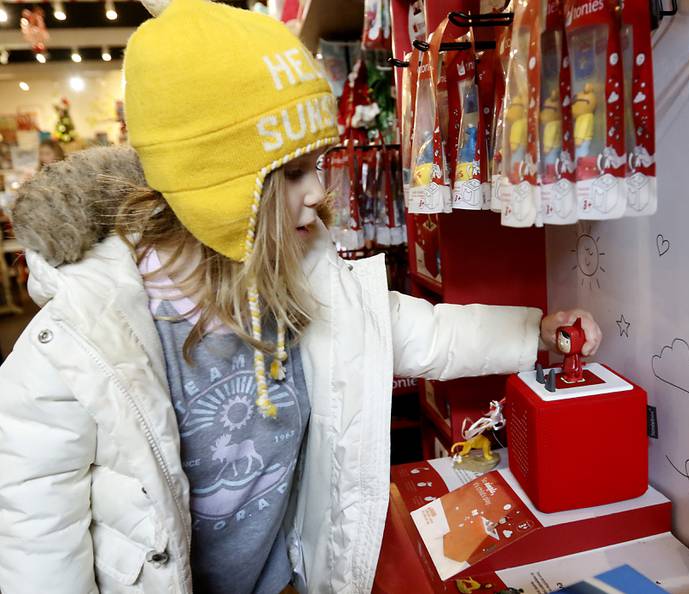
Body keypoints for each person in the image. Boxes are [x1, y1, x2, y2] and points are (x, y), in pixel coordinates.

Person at [0, 0, 603, 592]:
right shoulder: (80, 345)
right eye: (293, 173)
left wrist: (536, 332)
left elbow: (416, 333)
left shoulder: (300, 278)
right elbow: (38, 538)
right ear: (213, 185)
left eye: (317, 165)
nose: (318, 192)